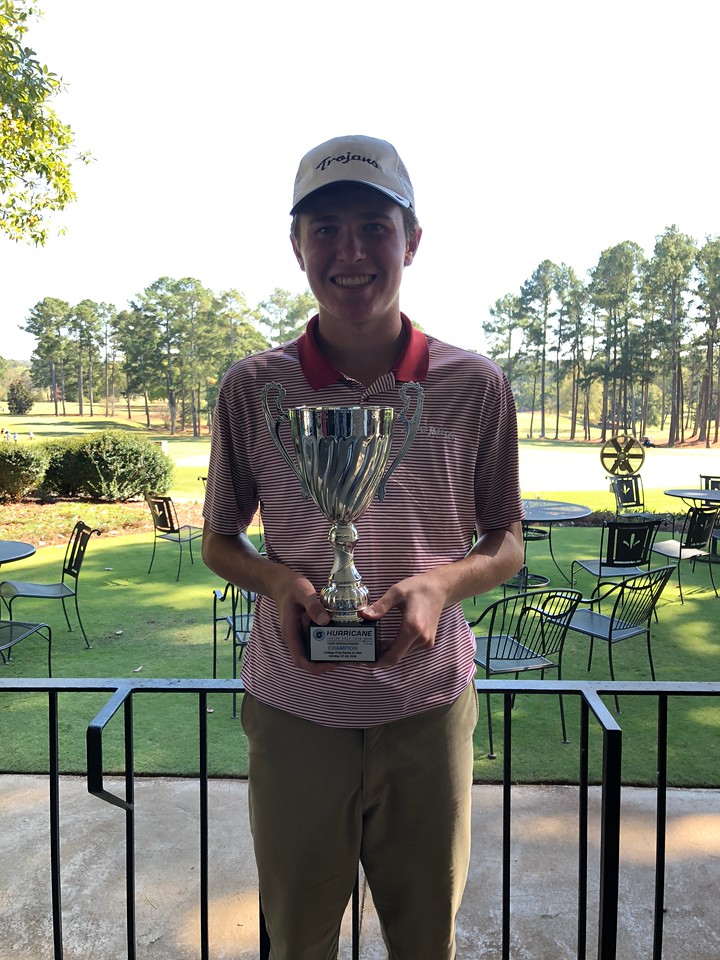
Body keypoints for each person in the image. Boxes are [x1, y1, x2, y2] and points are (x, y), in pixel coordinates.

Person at [202, 134, 525, 960]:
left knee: (424, 942)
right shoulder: (252, 387)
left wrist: (443, 584)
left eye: (374, 227)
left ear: (411, 241)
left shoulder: (475, 385)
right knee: (297, 941)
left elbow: (507, 542)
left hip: (427, 711)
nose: (350, 252)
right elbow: (219, 539)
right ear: (297, 246)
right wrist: (278, 581)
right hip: (296, 711)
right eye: (326, 229)